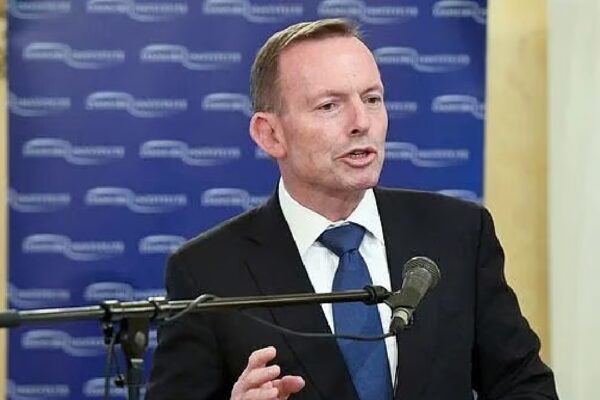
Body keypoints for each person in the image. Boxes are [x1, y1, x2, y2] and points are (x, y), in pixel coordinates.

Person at [147, 19, 558, 400]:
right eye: (329, 106)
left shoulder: (457, 233)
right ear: (270, 134)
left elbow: (524, 385)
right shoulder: (207, 272)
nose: (362, 121)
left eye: (372, 99)